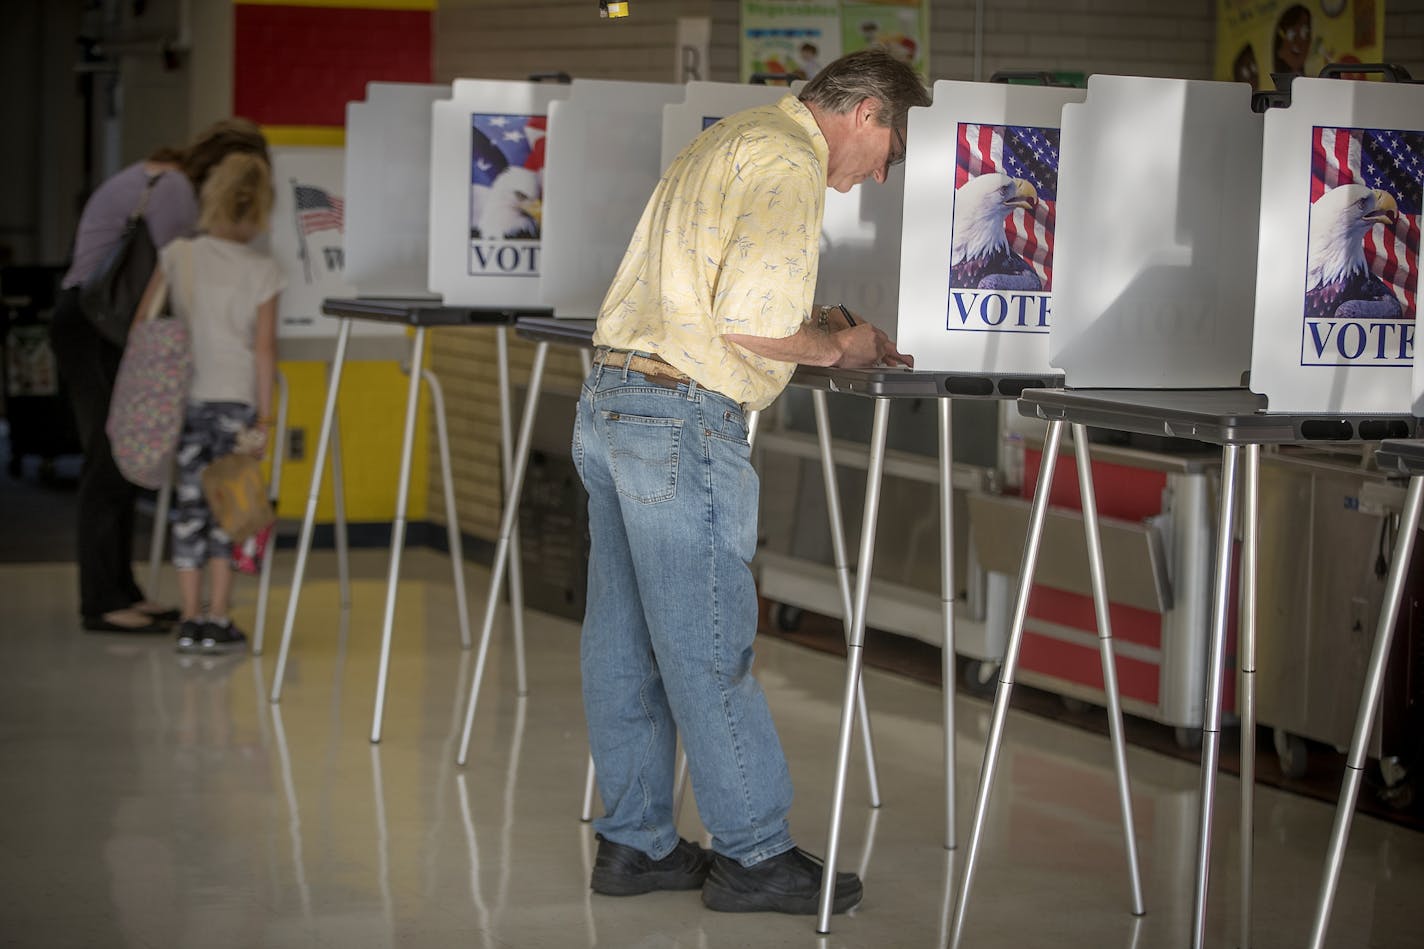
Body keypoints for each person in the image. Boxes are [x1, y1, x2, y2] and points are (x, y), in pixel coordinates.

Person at [574, 47, 928, 915]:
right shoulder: (789, 160)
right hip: (681, 418)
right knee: (707, 640)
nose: (876, 178)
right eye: (889, 153)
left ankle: (635, 842)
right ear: (867, 114)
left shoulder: (735, 137)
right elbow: (747, 324)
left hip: (613, 398)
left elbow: (712, 293)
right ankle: (755, 853)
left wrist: (824, 324)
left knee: (623, 641)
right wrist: (839, 347)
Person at [49, 119, 269, 634]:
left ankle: (123, 591)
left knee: (128, 459)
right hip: (94, 325)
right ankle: (102, 601)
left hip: (105, 325)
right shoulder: (171, 187)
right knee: (111, 458)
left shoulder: (163, 177)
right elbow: (184, 271)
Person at [140, 152, 283, 655]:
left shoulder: (179, 254)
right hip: (238, 403)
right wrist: (265, 419)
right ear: (260, 207)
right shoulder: (264, 270)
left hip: (186, 402)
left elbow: (145, 326)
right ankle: (219, 619)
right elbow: (264, 350)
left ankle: (187, 618)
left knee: (189, 511)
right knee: (231, 512)